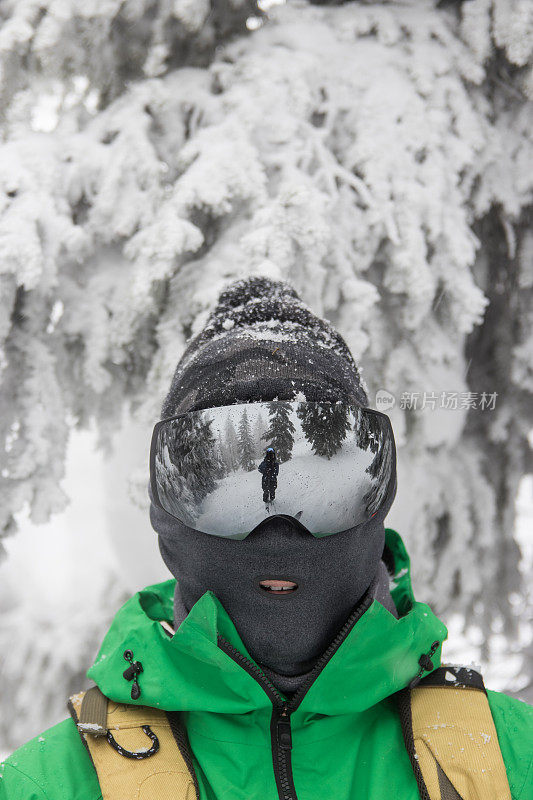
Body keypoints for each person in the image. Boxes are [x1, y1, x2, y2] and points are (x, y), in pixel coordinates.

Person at [1, 277, 531, 800]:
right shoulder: (54, 784)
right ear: (171, 514)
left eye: (318, 487)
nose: (278, 532)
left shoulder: (507, 762)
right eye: (232, 493)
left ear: (374, 497)